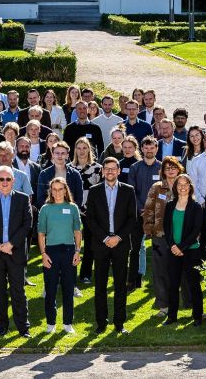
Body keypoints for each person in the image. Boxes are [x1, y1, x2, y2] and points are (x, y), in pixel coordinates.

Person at [0, 166, 33, 338]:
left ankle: (23, 328)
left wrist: (11, 244)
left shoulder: (23, 199)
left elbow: (27, 224)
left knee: (18, 291)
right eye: (1, 179)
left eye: (7, 179)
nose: (4, 182)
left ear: (13, 181)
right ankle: (2, 326)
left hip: (15, 252)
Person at [86, 157, 138, 335]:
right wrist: (105, 238)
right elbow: (90, 219)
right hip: (101, 245)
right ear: (102, 171)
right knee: (100, 285)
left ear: (118, 171)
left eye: (113, 169)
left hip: (121, 244)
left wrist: (118, 237)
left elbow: (133, 218)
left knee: (120, 286)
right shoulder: (94, 191)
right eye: (106, 169)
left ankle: (119, 323)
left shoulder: (128, 190)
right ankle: (101, 323)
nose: (109, 172)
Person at [37, 177, 82, 334]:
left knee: (68, 289)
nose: (57, 192)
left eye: (60, 189)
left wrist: (78, 251)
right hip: (51, 252)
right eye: (54, 189)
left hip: (70, 252)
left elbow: (77, 231)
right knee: (50, 289)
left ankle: (67, 324)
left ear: (65, 190)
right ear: (51, 191)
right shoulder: (45, 209)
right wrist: (43, 254)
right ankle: (51, 323)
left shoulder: (72, 208)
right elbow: (41, 233)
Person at [142, 156, 183, 317]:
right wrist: (148, 229)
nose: (171, 170)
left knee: (182, 271)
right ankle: (163, 305)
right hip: (160, 234)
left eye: (174, 167)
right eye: (167, 168)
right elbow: (148, 209)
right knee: (160, 271)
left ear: (179, 169)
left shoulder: (184, 185)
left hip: (181, 236)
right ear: (163, 171)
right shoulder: (157, 188)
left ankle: (184, 304)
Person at [163, 174, 204, 326]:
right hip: (173, 251)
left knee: (194, 284)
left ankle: (198, 316)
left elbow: (196, 230)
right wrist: (173, 245)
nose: (182, 187)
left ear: (190, 186)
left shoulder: (196, 207)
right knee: (173, 284)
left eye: (185, 184)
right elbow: (166, 228)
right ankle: (172, 316)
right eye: (179, 184)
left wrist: (181, 247)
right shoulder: (169, 205)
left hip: (191, 250)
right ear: (175, 187)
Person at [127, 136, 161, 290]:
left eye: (152, 147)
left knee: (159, 248)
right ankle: (134, 278)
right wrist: (143, 210)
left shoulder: (162, 168)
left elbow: (164, 192)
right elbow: (131, 191)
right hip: (138, 213)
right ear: (141, 149)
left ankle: (159, 281)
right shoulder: (135, 168)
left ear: (156, 149)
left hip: (157, 214)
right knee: (136, 247)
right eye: (146, 148)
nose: (149, 150)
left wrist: (152, 210)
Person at [71, 137, 102, 290]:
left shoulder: (97, 168)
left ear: (89, 150)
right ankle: (70, 273)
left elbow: (101, 191)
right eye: (79, 148)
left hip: (91, 212)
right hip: (72, 211)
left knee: (90, 244)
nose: (82, 151)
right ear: (75, 150)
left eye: (85, 148)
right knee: (72, 243)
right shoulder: (69, 168)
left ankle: (85, 274)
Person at [36, 141, 84, 208]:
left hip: (69, 213)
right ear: (52, 154)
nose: (60, 156)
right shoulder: (44, 174)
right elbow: (40, 198)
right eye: (57, 153)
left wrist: (71, 210)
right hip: (50, 214)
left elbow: (79, 197)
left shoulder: (75, 174)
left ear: (67, 155)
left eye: (63, 153)